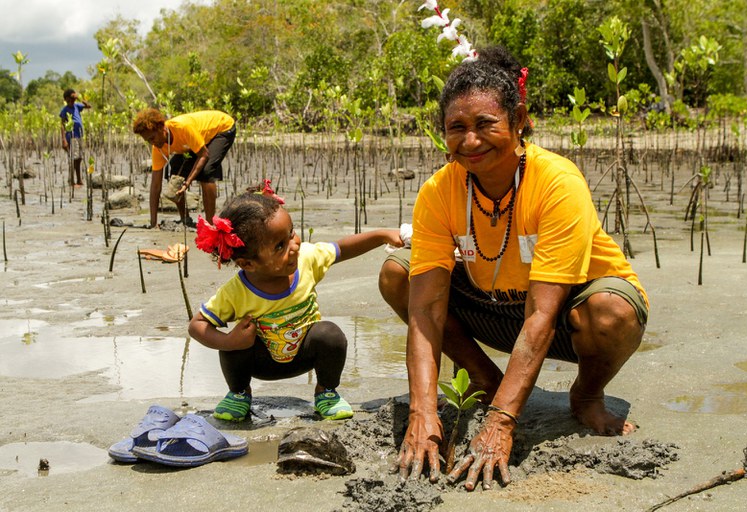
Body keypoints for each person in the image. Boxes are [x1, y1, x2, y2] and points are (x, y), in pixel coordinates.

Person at [381, 46, 649, 491]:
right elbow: (427, 310)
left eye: (486, 124)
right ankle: (487, 379)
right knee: (397, 273)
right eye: (457, 128)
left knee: (611, 312)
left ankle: (586, 394)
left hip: (565, 316)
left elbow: (541, 316)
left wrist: (500, 424)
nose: (470, 141)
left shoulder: (557, 183)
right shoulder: (438, 192)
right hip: (493, 305)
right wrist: (422, 411)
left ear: (519, 118)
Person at [188, 184, 403, 422]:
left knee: (330, 335)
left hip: (305, 355)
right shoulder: (236, 292)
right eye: (280, 246)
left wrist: (382, 235)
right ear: (247, 264)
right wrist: (229, 340)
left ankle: (326, 393)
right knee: (232, 348)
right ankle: (239, 393)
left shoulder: (306, 259)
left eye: (291, 233)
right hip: (261, 362)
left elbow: (342, 249)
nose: (294, 245)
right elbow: (197, 325)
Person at [132, 108, 236, 228]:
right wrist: (153, 223)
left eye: (152, 138)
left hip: (222, 128)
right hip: (199, 139)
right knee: (174, 169)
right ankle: (185, 219)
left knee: (207, 171)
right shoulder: (158, 147)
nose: (152, 143)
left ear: (162, 129)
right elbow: (155, 185)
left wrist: (187, 183)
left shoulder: (182, 128)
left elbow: (204, 155)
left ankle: (210, 224)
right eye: (147, 140)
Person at [59, 89, 91, 187]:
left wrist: (80, 99)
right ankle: (71, 181)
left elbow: (88, 106)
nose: (71, 102)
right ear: (66, 100)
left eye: (72, 100)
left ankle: (79, 180)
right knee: (73, 159)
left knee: (79, 159)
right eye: (68, 101)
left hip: (79, 135)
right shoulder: (65, 110)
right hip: (71, 136)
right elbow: (62, 125)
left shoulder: (77, 106)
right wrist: (64, 140)